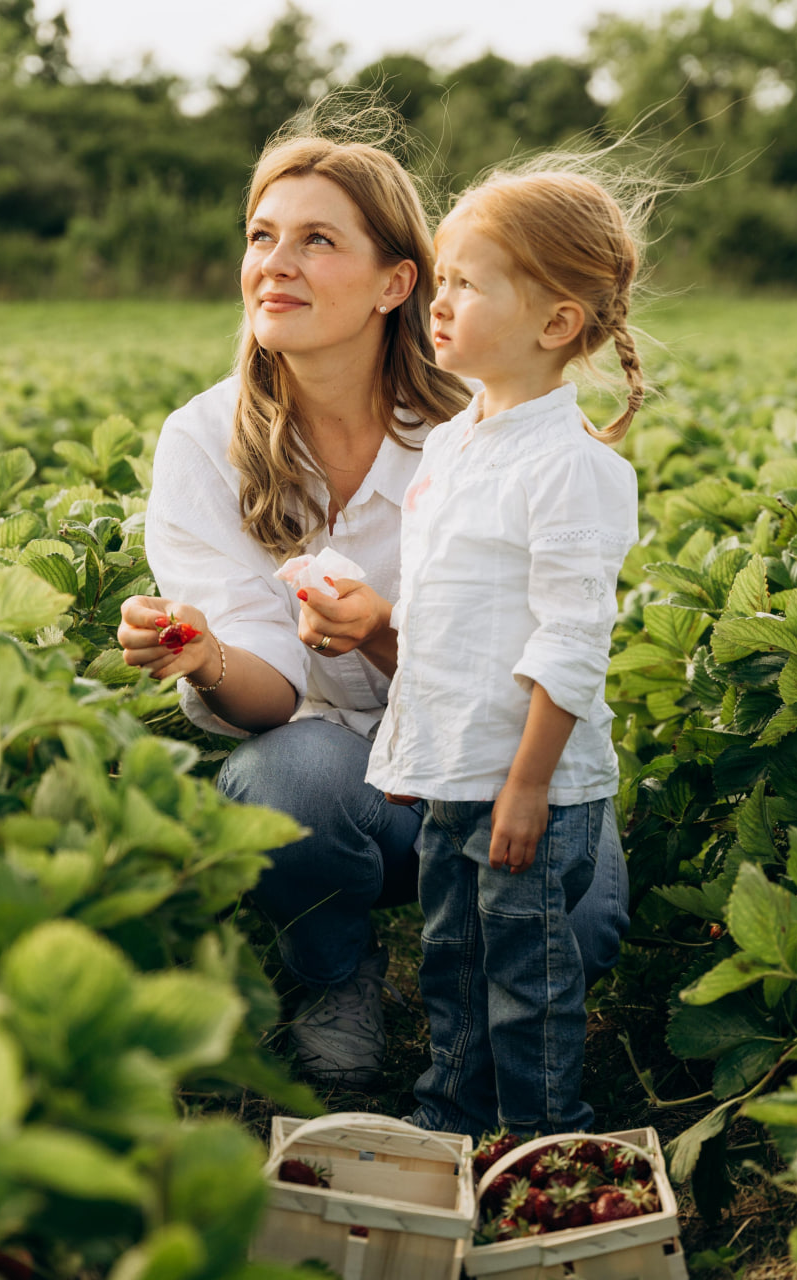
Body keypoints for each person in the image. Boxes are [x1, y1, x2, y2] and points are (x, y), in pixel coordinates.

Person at [117, 114, 630, 1091]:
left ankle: (482, 999)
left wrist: (394, 637)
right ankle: (336, 968)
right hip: (345, 778)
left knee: (584, 927)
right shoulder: (201, 442)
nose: (276, 262)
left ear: (398, 282)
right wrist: (204, 654)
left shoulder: (492, 431)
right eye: (262, 235)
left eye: (318, 240)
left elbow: (548, 667)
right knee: (290, 778)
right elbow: (268, 700)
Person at [359, 160, 644, 1139]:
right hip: (455, 772)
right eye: (440, 279)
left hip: (533, 785)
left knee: (530, 978)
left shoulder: (575, 469)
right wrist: (411, 750)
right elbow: (439, 618)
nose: (439, 302)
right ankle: (451, 1122)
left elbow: (570, 637)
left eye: (467, 284)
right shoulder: (449, 445)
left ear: (555, 322)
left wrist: (525, 783)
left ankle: (541, 1144)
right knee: (453, 958)